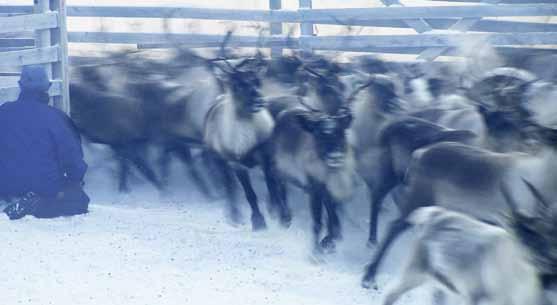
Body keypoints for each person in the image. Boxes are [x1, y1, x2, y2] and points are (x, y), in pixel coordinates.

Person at [0, 65, 89, 220]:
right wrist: (75, 180)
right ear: (46, 88)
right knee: (80, 201)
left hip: (4, 184)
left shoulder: (3, 111)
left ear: (21, 86)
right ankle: (34, 204)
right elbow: (73, 159)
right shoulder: (57, 118)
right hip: (42, 185)